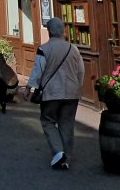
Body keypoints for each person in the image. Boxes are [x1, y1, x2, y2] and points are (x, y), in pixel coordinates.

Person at [24, 17, 84, 170]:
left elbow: (38, 70)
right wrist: (78, 86)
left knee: (48, 121)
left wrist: (29, 87)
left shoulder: (44, 48)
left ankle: (59, 152)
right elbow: (80, 71)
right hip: (71, 92)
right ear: (63, 31)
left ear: (49, 31)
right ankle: (67, 158)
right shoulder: (74, 48)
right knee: (67, 123)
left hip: (51, 92)